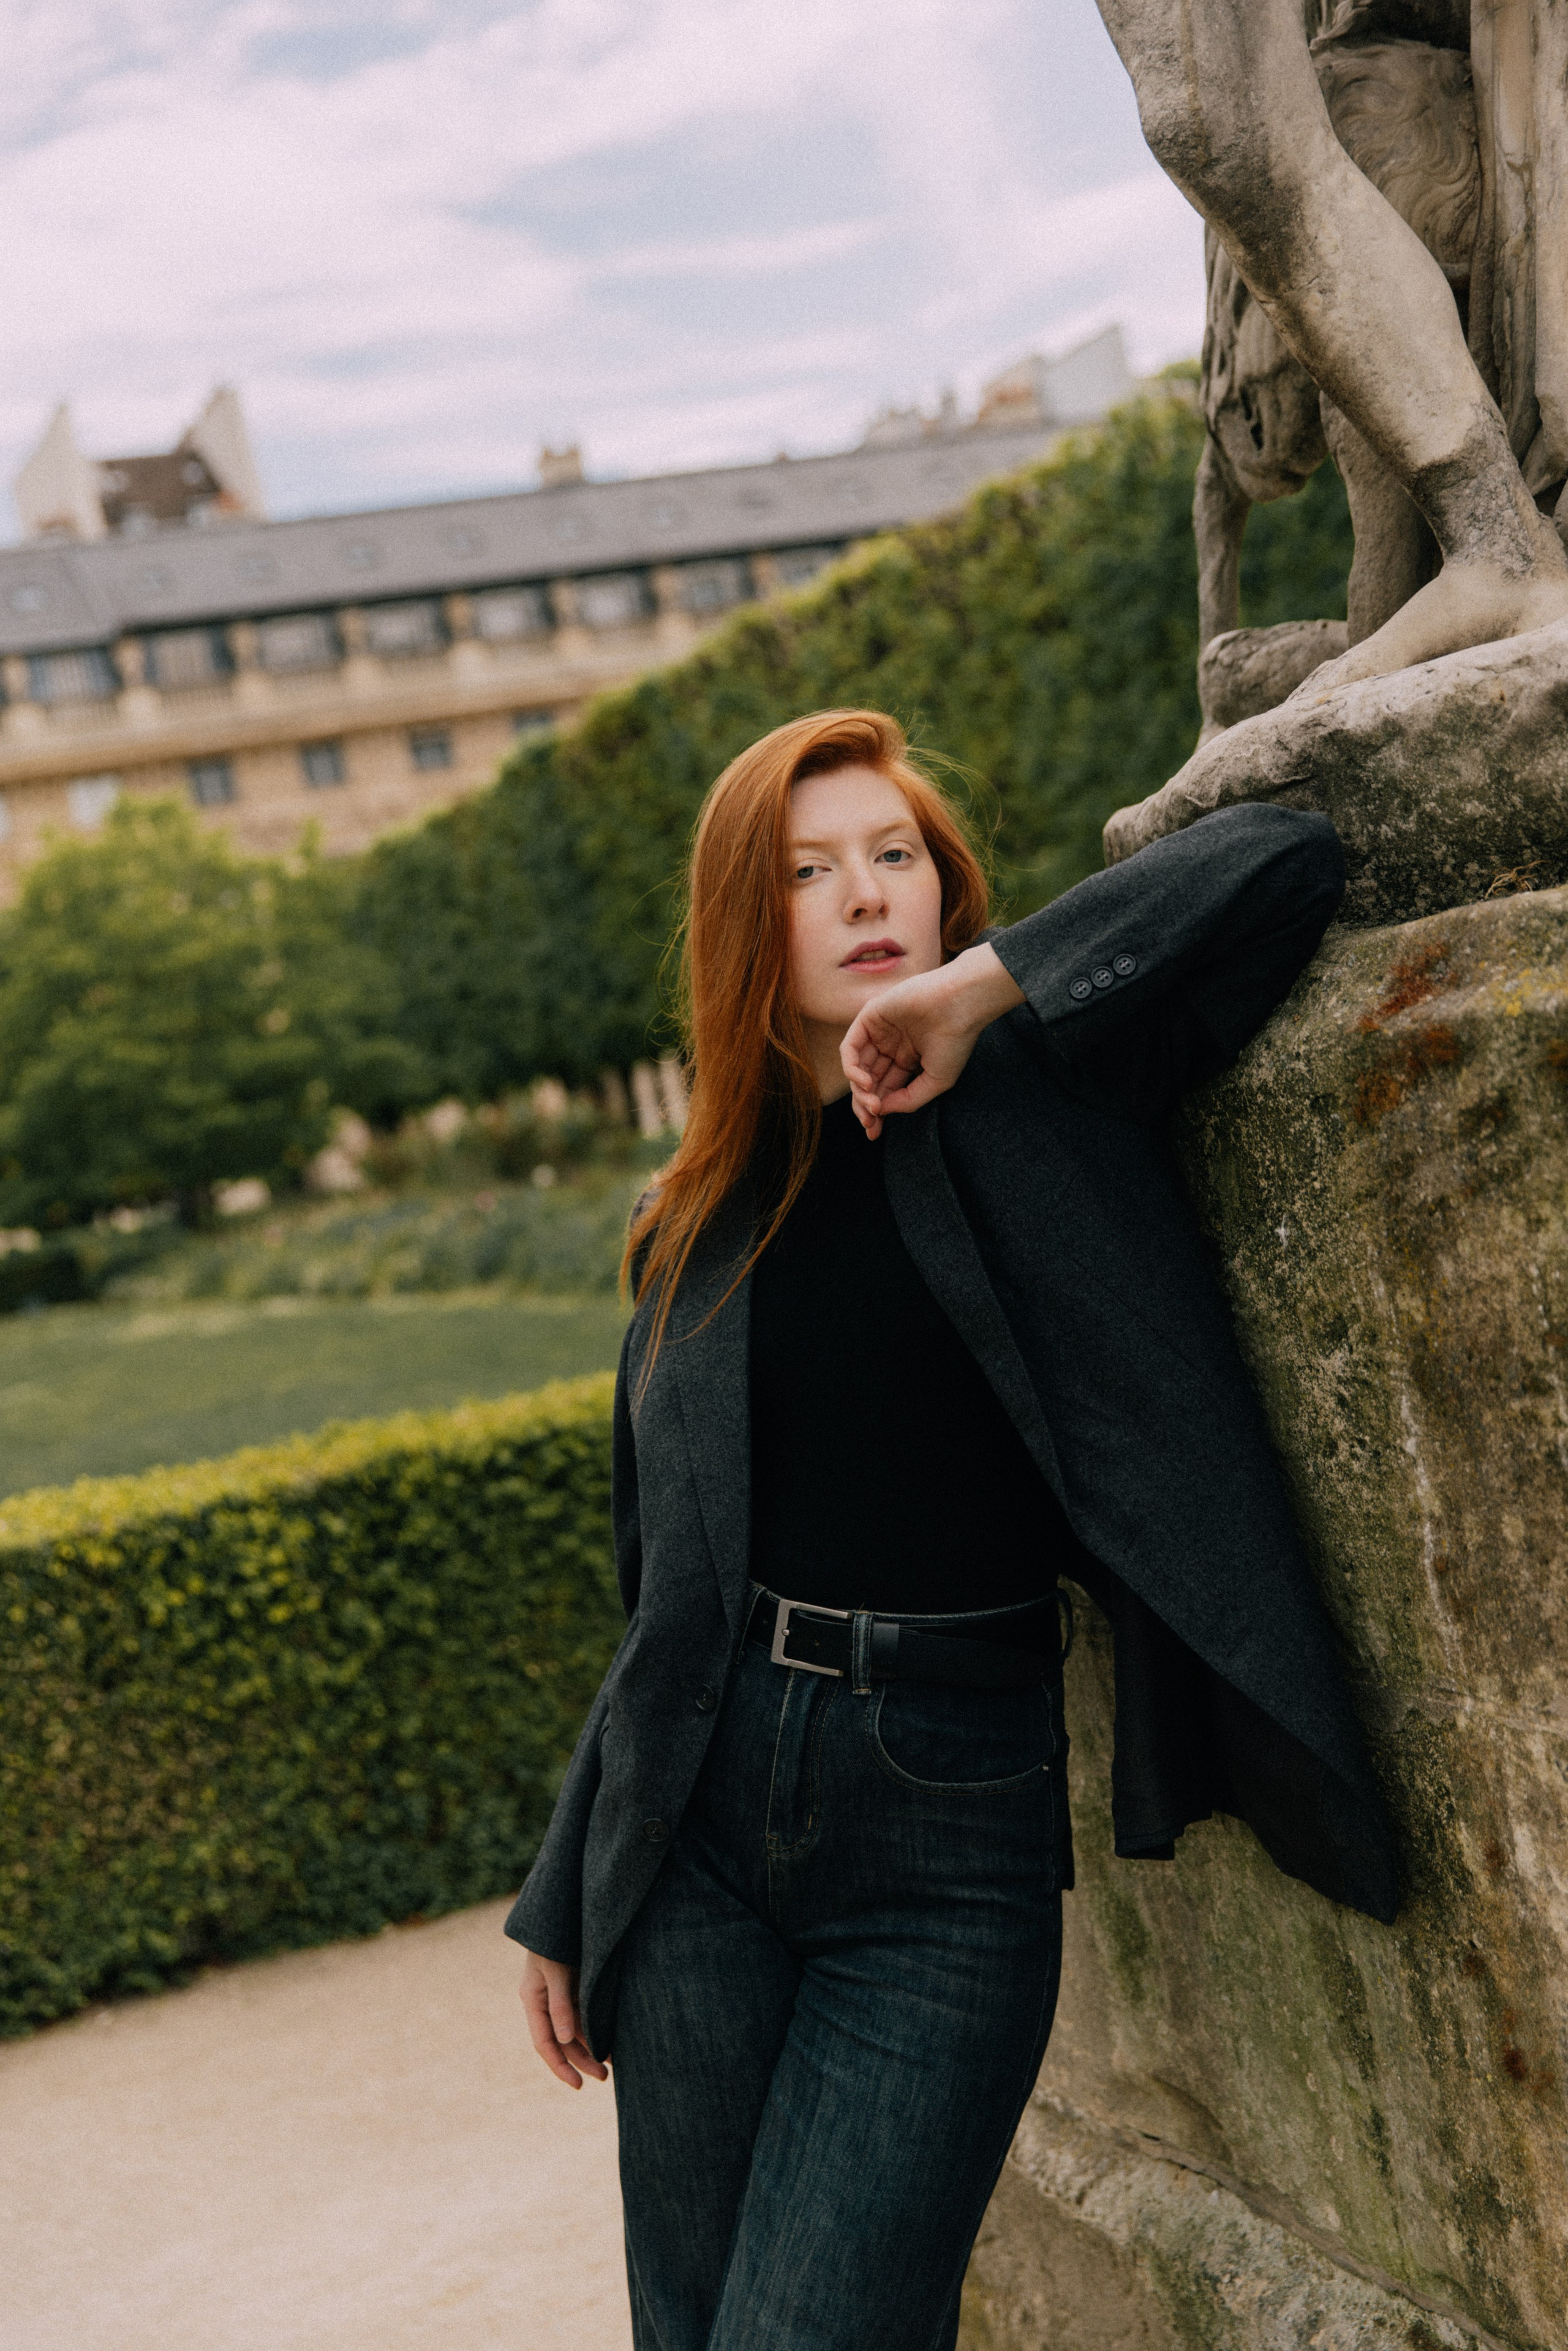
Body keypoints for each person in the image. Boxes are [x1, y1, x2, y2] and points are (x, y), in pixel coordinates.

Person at [509, 708, 1397, 2351]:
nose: (868, 896)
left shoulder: (1051, 1079)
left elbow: (1290, 856)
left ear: (945, 889)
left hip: (942, 1839)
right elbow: (665, 1594)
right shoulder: (689, 1214)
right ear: (742, 924)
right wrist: (573, 1882)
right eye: (811, 870)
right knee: (691, 2330)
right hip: (696, 1839)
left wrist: (980, 995)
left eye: (897, 857)